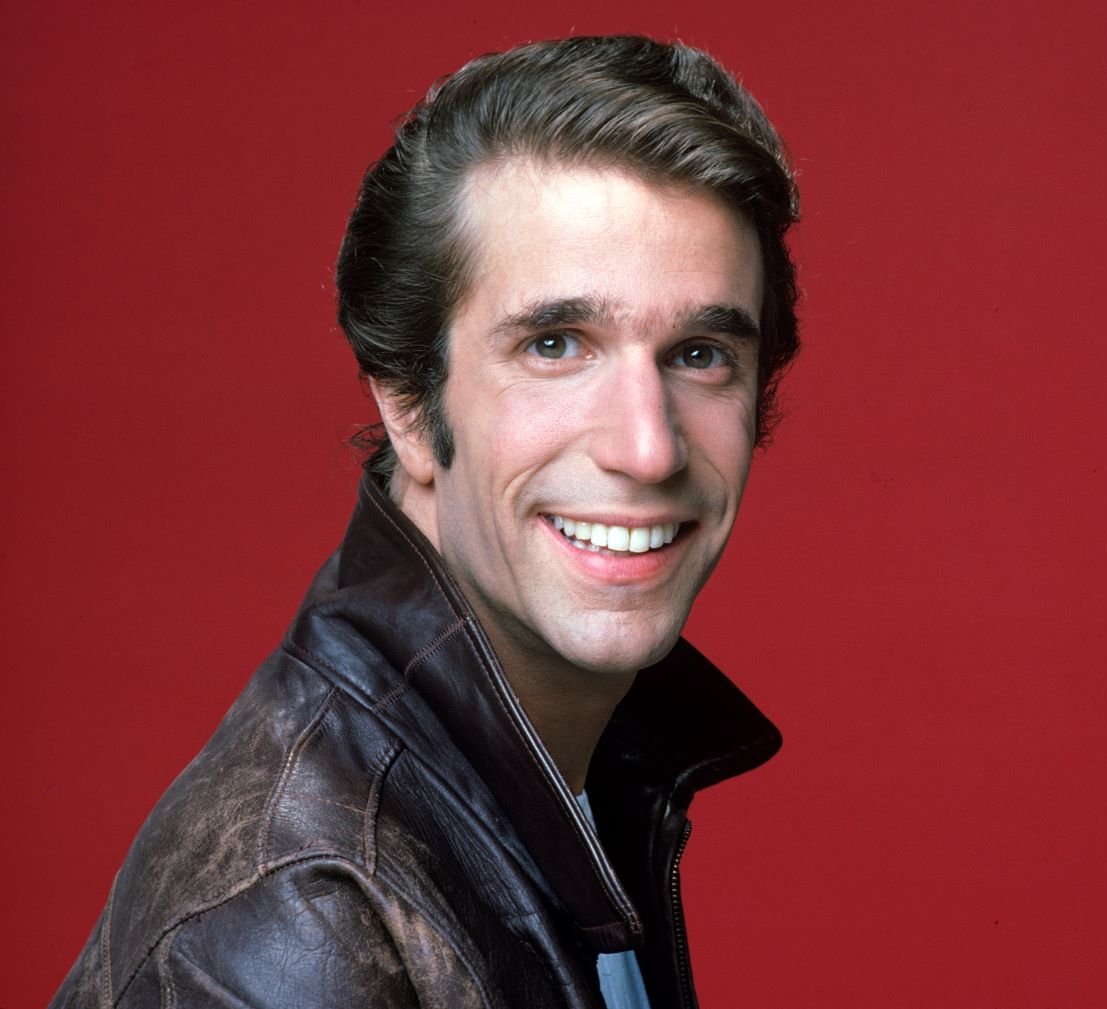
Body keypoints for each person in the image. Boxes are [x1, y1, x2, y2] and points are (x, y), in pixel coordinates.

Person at [51, 34, 798, 1008]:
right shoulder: (298, 920)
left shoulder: (566, 773)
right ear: (409, 402)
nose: (648, 449)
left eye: (700, 353)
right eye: (556, 344)